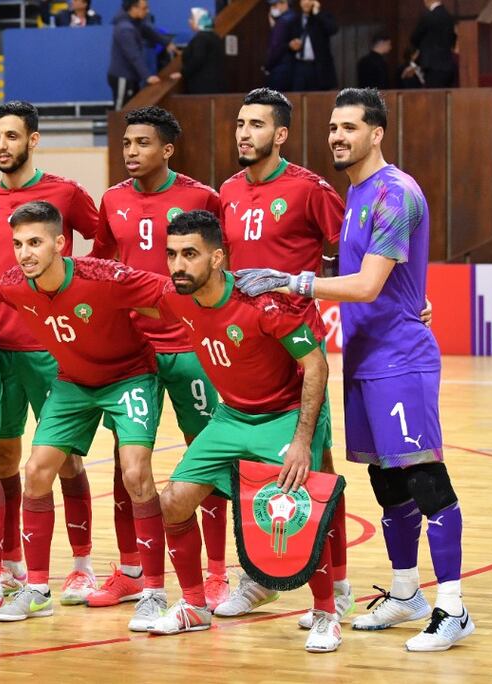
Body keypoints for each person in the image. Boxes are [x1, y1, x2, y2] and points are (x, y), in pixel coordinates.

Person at [236, 87, 474, 652]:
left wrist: (290, 281)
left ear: (377, 133)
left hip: (401, 362)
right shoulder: (357, 194)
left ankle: (454, 606)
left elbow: (367, 285)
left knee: (424, 477)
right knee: (387, 479)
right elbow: (375, 276)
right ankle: (405, 593)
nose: (338, 137)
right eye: (333, 129)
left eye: (349, 127)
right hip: (366, 361)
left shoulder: (394, 194)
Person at [0, 201, 167, 628]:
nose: (25, 253)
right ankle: (36, 591)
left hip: (129, 378)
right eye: (17, 244)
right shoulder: (20, 283)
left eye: (35, 242)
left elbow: (171, 292)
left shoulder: (103, 277)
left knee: (135, 473)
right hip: (73, 383)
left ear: (61, 242)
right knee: (35, 471)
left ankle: (154, 592)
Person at [139, 210, 338, 654]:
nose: (177, 265)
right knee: (172, 502)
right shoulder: (176, 298)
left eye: (189, 254)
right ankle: (192, 605)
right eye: (171, 254)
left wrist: (303, 440)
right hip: (231, 418)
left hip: (282, 416)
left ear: (217, 258)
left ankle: (326, 613)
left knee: (299, 507)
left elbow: (316, 365)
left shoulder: (261, 304)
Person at [0, 101, 102, 604]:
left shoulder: (66, 192)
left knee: (64, 460)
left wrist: (86, 298)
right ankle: (10, 560)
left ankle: (81, 565)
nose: (1, 146)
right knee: (5, 455)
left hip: (56, 351)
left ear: (33, 140)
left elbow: (105, 241)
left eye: (11, 136)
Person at [214, 87, 352, 625]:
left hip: (298, 353)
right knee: (246, 468)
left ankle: (336, 587)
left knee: (316, 469)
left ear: (281, 134)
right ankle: (259, 579)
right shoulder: (225, 191)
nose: (244, 133)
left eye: (255, 124)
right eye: (240, 123)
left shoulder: (310, 189)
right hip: (241, 352)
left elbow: (357, 255)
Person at [88, 106, 225, 612]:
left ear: (167, 149)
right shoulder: (111, 199)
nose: (130, 152)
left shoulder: (201, 198)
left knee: (205, 458)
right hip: (130, 353)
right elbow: (103, 267)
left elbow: (223, 262)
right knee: (129, 465)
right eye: (127, 143)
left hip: (190, 347)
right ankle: (130, 570)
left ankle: (215, 575)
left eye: (142, 143)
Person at [108, 0, 178, 109]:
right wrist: (147, 76)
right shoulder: (125, 29)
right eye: (144, 8)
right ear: (133, 8)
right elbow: (133, 55)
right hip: (123, 76)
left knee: (131, 109)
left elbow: (149, 32)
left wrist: (166, 42)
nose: (147, 11)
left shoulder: (135, 23)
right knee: (121, 110)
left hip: (131, 76)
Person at [289, 0, 337, 91]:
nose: (306, 2)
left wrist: (317, 13)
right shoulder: (295, 20)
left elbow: (332, 29)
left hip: (318, 67)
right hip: (299, 65)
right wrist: (291, 45)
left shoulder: (322, 16)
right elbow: (287, 40)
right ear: (300, 2)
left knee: (317, 98)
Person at [410, 0, 457, 88]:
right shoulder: (449, 17)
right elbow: (452, 39)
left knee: (433, 97)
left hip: (431, 64)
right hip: (448, 63)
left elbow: (414, 38)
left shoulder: (428, 17)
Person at [180, 8, 225, 95]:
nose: (189, 21)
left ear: (199, 21)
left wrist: (183, 72)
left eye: (192, 18)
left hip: (202, 86)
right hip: (214, 84)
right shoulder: (214, 36)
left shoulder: (201, 38)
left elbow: (198, 58)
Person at [264, 0, 296, 91]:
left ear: (284, 3)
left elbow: (276, 46)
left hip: (280, 68)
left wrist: (267, 66)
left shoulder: (283, 22)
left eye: (274, 5)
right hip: (292, 68)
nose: (272, 8)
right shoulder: (294, 18)